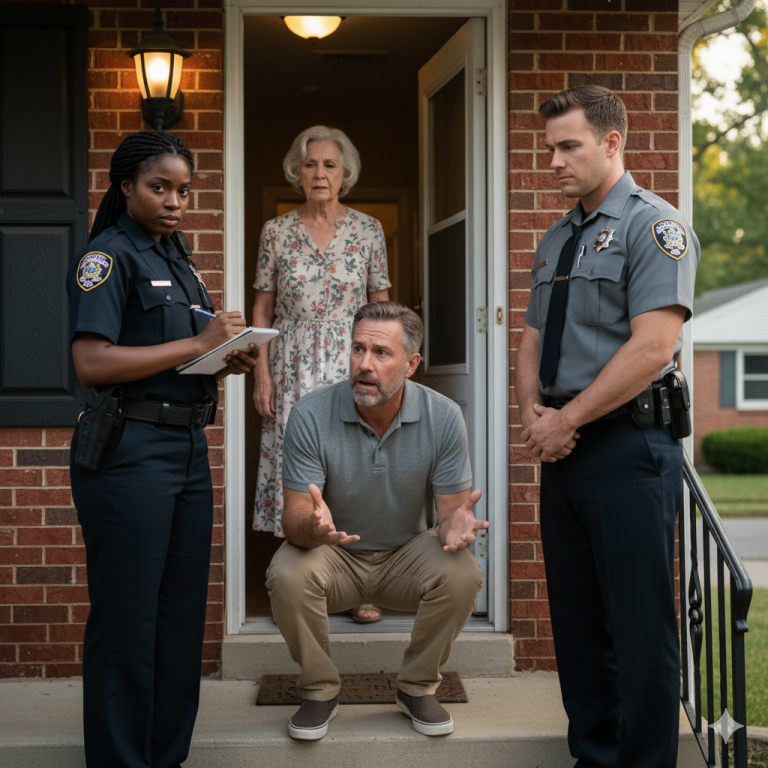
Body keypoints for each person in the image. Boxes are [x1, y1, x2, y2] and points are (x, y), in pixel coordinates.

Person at [515, 85, 699, 767]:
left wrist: (567, 418)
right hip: (564, 451)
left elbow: (653, 348)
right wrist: (534, 413)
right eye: (550, 149)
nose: (554, 161)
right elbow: (531, 336)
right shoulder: (558, 235)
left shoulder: (656, 226)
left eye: (569, 146)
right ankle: (593, 755)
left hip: (627, 449)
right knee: (578, 626)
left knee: (639, 626)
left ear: (612, 142)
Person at [68, 131, 259, 768]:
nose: (175, 201)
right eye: (160, 187)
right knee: (128, 621)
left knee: (179, 621)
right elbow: (92, 362)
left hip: (185, 450)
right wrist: (194, 344)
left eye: (183, 190)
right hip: (129, 452)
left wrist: (222, 360)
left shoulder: (178, 259)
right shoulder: (107, 256)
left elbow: (179, 357)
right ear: (126, 187)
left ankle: (164, 755)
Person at [266, 301, 488, 740]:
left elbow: (448, 519)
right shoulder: (311, 414)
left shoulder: (443, 416)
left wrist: (456, 529)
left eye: (381, 353)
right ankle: (319, 690)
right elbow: (293, 517)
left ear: (411, 364)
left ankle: (417, 686)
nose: (364, 364)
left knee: (464, 573)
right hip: (335, 554)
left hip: (407, 556)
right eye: (357, 349)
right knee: (286, 572)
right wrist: (313, 529)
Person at [252, 125, 390, 624]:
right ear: (297, 172)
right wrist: (261, 375)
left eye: (330, 165)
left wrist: (382, 366)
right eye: (310, 164)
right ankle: (302, 587)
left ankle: (360, 586)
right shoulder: (277, 231)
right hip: (290, 363)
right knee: (301, 472)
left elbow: (382, 309)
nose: (319, 173)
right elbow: (262, 311)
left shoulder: (368, 229)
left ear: (344, 174)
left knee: (352, 466)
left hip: (350, 362)